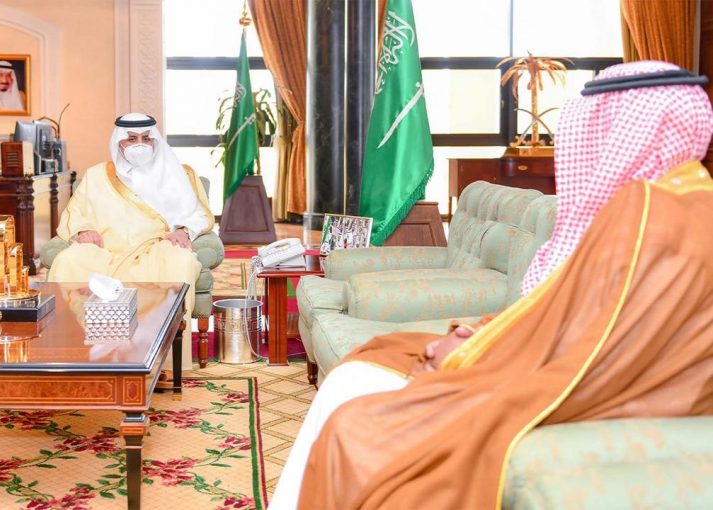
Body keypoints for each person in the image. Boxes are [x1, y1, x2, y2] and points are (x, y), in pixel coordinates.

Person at [270, 61, 713, 509]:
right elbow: (571, 320)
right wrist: (479, 336)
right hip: (547, 364)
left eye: (597, 130)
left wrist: (474, 355)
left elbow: (591, 350)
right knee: (364, 367)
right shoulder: (677, 203)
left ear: (633, 133)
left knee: (356, 417)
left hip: (570, 390)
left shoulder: (648, 216)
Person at [48, 113, 212, 369]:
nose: (140, 145)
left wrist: (183, 230)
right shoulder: (97, 176)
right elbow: (76, 213)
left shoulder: (177, 174)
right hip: (106, 250)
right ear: (118, 142)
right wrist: (82, 231)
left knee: (180, 259)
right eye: (132, 139)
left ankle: (160, 361)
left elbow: (197, 214)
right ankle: (73, 354)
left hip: (155, 247)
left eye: (146, 138)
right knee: (68, 261)